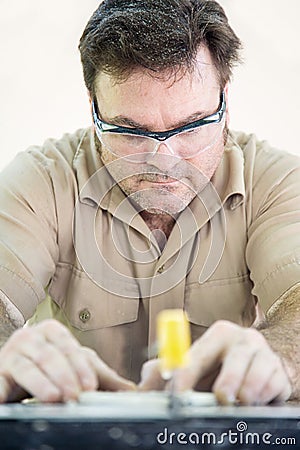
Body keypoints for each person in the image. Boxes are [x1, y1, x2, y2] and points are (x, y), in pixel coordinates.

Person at [0, 0, 299, 406]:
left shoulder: (277, 181)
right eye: (131, 131)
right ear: (94, 108)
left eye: (192, 126)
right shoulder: (41, 179)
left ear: (225, 103)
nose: (164, 161)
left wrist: (282, 357)